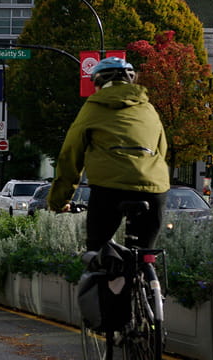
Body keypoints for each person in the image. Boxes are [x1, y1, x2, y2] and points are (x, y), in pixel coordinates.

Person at [47, 57, 169, 251]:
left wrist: (59, 201)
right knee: (144, 252)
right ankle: (149, 276)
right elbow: (161, 149)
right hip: (153, 188)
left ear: (98, 82)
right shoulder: (148, 108)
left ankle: (101, 273)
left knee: (98, 249)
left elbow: (70, 155)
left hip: (109, 189)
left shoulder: (93, 107)